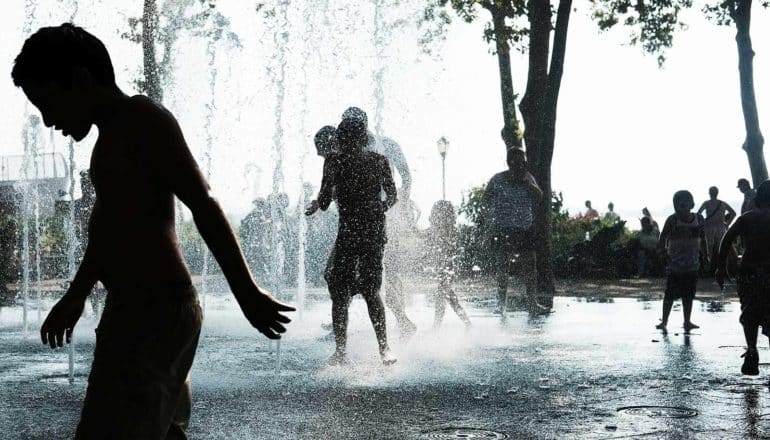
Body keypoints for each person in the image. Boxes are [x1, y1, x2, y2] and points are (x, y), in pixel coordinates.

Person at [13, 24, 294, 439]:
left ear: (81, 80)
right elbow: (106, 232)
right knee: (159, 428)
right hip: (140, 309)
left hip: (153, 313)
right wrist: (76, 295)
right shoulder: (110, 141)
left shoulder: (143, 120)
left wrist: (246, 292)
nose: (48, 120)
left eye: (48, 103)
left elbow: (204, 203)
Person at [306, 117, 397, 365]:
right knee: (371, 290)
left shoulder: (334, 163)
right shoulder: (379, 161)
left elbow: (324, 202)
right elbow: (393, 196)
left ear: (344, 139)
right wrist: (379, 208)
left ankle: (341, 351)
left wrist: (323, 197)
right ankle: (384, 349)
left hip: (350, 232)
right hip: (373, 231)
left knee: (339, 291)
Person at [340, 107, 417, 338]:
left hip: (385, 217)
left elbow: (405, 174)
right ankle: (339, 322)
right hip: (357, 219)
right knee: (346, 271)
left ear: (363, 124)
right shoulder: (346, 146)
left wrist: (400, 205)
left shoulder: (387, 144)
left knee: (384, 271)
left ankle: (403, 320)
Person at [481, 147, 547, 314]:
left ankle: (533, 302)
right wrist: (489, 221)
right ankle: (501, 304)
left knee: (530, 264)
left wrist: (528, 185)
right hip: (504, 227)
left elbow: (540, 197)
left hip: (524, 227)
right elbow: (485, 199)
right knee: (503, 266)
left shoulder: (527, 178)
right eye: (518, 161)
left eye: (523, 161)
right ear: (510, 162)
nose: (521, 164)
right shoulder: (498, 179)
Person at [717, 180, 770, 375]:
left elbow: (726, 239)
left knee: (750, 313)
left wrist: (720, 267)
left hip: (749, 273)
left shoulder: (747, 218)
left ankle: (752, 349)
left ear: (757, 199)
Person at [655, 190, 705, 332]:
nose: (682, 207)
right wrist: (663, 253)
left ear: (691, 204)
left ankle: (687, 321)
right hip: (675, 263)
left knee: (688, 294)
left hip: (692, 263)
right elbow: (663, 237)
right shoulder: (673, 219)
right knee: (670, 293)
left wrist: (705, 255)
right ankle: (664, 321)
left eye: (684, 204)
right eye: (678, 204)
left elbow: (703, 237)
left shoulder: (698, 218)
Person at [423, 200, 471, 328]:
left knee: (442, 297)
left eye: (440, 214)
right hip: (442, 271)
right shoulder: (435, 231)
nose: (438, 218)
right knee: (450, 299)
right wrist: (411, 225)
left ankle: (436, 327)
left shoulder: (452, 232)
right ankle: (467, 324)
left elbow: (453, 250)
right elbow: (422, 234)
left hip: (449, 271)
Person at [696, 186, 736, 271]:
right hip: (721, 227)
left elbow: (698, 214)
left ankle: (709, 269)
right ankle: (724, 270)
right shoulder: (723, 203)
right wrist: (727, 224)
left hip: (709, 227)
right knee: (722, 249)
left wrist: (702, 223)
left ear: (709, 193)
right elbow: (733, 213)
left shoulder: (706, 203)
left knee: (708, 250)